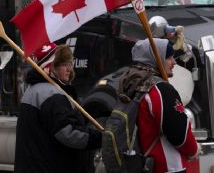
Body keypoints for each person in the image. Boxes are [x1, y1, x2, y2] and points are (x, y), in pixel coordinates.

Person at [14, 42, 102, 173]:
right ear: (50, 68)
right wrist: (100, 138)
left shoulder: (33, 90)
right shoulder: (53, 95)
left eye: (70, 64)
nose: (69, 69)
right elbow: (68, 133)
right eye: (63, 65)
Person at [121, 38, 201, 172]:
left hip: (143, 162)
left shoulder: (132, 84)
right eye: (169, 57)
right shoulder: (160, 89)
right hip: (167, 166)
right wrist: (194, 150)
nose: (174, 62)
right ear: (154, 59)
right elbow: (179, 134)